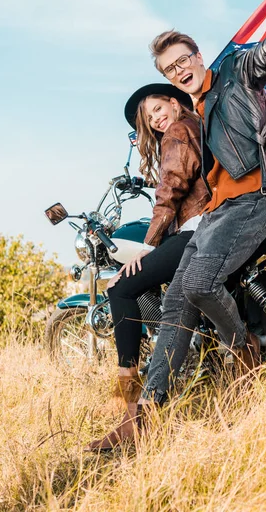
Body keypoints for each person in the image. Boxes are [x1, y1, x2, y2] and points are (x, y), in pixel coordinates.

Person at [89, 0, 266, 451]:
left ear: (198, 56)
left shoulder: (235, 74)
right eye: (170, 69)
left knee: (196, 283)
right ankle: (142, 417)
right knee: (175, 297)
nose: (180, 71)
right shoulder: (195, 111)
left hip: (259, 197)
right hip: (220, 213)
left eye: (184, 61)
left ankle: (245, 355)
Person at [86, 83, 210, 451]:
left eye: (158, 108)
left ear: (174, 102)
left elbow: (170, 190)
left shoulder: (178, 131)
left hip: (195, 229)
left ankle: (128, 407)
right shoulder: (196, 126)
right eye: (149, 117)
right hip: (204, 224)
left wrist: (149, 243)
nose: (156, 119)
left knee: (120, 288)